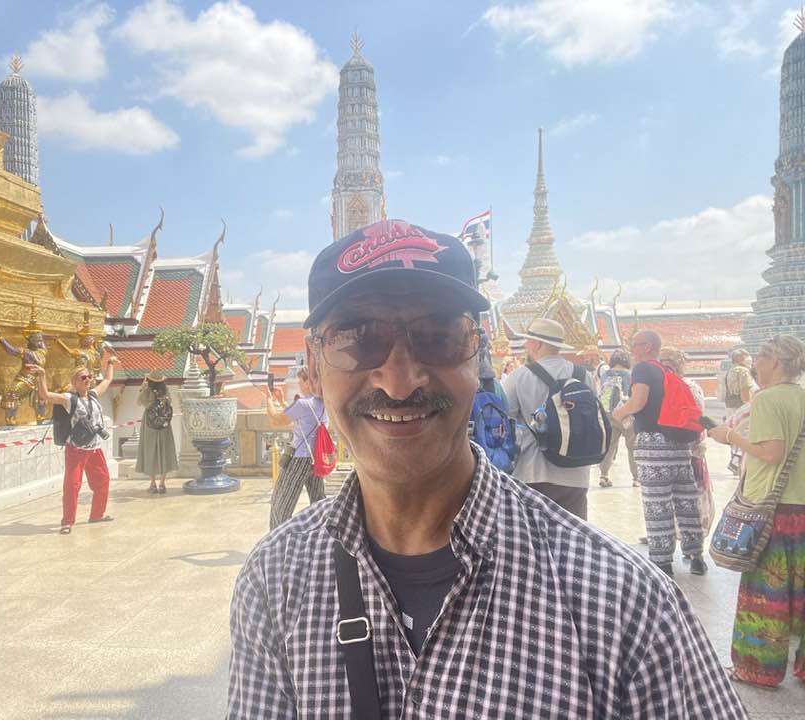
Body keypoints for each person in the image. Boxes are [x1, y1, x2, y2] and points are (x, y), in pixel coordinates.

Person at [227, 219, 746, 718]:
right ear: (312, 367)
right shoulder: (276, 579)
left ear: (477, 356)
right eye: (357, 339)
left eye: (439, 335)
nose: (399, 381)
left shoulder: (622, 601)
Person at [708, 334, 805, 690]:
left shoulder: (767, 399)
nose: (754, 367)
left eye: (758, 360)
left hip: (774, 511)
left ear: (774, 362)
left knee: (766, 595)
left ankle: (757, 669)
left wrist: (728, 436)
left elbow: (771, 453)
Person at [613, 330, 705, 577]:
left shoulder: (643, 369)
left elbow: (639, 401)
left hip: (653, 446)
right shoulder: (666, 371)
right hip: (678, 444)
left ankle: (662, 561)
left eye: (635, 344)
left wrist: (618, 413)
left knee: (657, 503)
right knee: (686, 500)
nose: (632, 349)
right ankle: (696, 556)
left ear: (648, 347)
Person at [502, 317, 591, 519]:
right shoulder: (582, 375)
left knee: (534, 534)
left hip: (534, 471)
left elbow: (505, 417)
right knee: (573, 533)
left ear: (537, 343)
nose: (526, 345)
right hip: (576, 472)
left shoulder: (519, 376)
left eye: (528, 340)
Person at [30, 356, 117, 534]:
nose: (87, 380)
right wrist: (42, 376)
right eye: (83, 378)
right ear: (75, 382)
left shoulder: (93, 396)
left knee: (102, 481)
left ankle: (97, 514)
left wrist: (110, 364)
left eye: (89, 377)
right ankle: (68, 521)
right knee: (72, 485)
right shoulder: (70, 399)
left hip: (94, 448)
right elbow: (46, 396)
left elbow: (108, 379)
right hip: (76, 450)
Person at [660, 346, 712, 567]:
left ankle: (669, 549)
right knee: (690, 502)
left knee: (666, 502)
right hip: (690, 451)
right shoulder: (691, 386)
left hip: (668, 452)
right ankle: (695, 552)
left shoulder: (659, 386)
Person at [261, 367, 328, 529]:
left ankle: (278, 538)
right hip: (316, 458)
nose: (299, 385)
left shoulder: (302, 404)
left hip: (300, 459)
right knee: (318, 502)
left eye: (300, 382)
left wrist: (269, 400)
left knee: (281, 504)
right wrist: (282, 401)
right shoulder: (324, 403)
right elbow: (301, 422)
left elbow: (276, 420)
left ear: (308, 382)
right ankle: (320, 533)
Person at [598, 349, 637, 488]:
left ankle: (604, 475)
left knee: (609, 446)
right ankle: (636, 478)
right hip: (626, 415)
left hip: (609, 415)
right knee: (632, 446)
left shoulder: (605, 374)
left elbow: (603, 396)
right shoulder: (630, 375)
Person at [135, 369, 177, 494]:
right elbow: (170, 402)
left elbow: (139, 402)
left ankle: (153, 484)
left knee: (150, 451)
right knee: (164, 451)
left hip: (150, 423)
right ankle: (162, 484)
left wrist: (142, 388)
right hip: (163, 423)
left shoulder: (147, 390)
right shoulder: (165, 390)